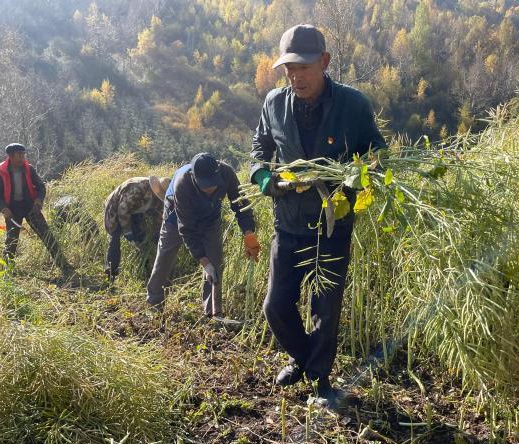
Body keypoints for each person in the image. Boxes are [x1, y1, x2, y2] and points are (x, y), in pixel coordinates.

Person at [250, 24, 386, 407]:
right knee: (275, 305)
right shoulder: (274, 104)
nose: (296, 75)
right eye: (289, 68)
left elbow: (377, 152)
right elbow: (258, 150)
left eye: (304, 67)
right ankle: (302, 358)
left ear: (324, 62)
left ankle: (321, 380)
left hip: (332, 225)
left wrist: (361, 173)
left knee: (326, 308)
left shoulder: (353, 105)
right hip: (289, 223)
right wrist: (265, 180)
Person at [146, 153, 260, 316]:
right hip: (176, 216)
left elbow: (240, 204)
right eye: (204, 185)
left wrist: (248, 234)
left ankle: (213, 312)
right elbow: (186, 230)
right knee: (165, 257)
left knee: (216, 261)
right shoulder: (182, 184)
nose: (210, 189)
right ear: (193, 177)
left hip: (210, 218)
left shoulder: (226, 173)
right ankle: (154, 303)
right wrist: (204, 263)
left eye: (212, 184)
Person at [0, 143, 72, 273]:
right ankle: (7, 270)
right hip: (12, 210)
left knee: (47, 235)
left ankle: (63, 265)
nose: (23, 157)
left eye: (23, 154)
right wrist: (3, 208)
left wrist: (38, 202)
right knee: (11, 240)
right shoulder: (0, 170)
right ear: (11, 156)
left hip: (30, 207)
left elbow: (41, 187)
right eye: (19, 154)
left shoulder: (29, 169)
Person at [103, 176, 168, 281]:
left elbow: (159, 215)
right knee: (115, 238)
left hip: (136, 211)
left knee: (141, 238)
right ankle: (111, 274)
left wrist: (157, 234)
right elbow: (122, 212)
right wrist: (129, 235)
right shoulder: (137, 189)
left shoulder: (159, 197)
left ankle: (143, 270)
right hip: (116, 208)